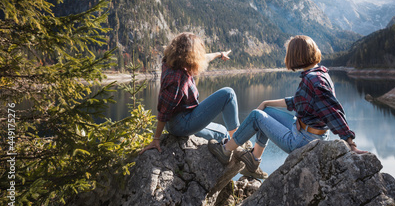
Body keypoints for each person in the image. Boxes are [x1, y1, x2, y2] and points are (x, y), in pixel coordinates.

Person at [208, 35, 367, 178]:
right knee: (266, 111)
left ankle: (226, 150)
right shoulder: (319, 73)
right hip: (305, 132)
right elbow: (298, 101)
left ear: (296, 56)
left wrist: (350, 143)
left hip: (303, 141)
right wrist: (266, 103)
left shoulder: (314, 80)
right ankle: (253, 160)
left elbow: (333, 112)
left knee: (257, 116)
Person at [140, 32, 238, 155]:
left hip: (180, 121)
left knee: (222, 132)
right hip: (180, 123)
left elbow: (205, 57)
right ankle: (238, 143)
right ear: (191, 54)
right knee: (228, 94)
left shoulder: (173, 63)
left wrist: (220, 54)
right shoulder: (176, 77)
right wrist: (156, 139)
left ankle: (230, 147)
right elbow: (164, 110)